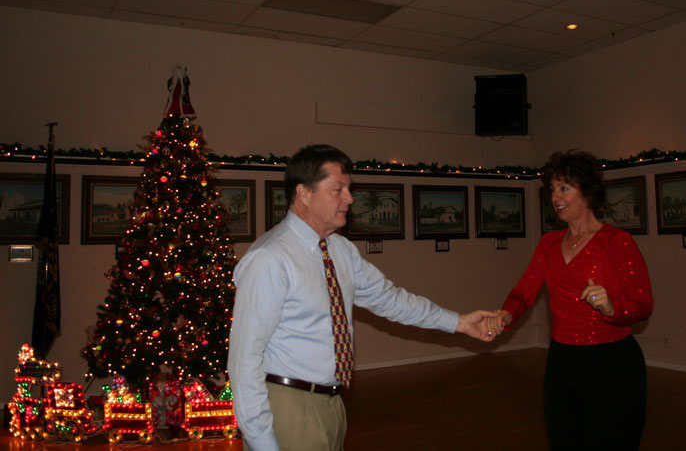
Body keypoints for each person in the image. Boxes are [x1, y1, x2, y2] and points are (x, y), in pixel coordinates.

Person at [228, 144, 497, 451]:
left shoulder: (340, 250)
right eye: (338, 190)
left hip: (332, 404)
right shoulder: (269, 259)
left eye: (348, 189)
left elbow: (390, 300)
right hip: (287, 406)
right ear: (304, 193)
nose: (349, 198)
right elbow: (244, 358)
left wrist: (459, 323)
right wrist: (261, 441)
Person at [486, 150, 654, 451]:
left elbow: (643, 304)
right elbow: (524, 291)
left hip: (611, 362)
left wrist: (612, 307)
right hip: (563, 360)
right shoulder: (549, 243)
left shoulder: (616, 242)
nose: (555, 197)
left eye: (564, 188)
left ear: (587, 191)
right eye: (552, 189)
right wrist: (507, 314)